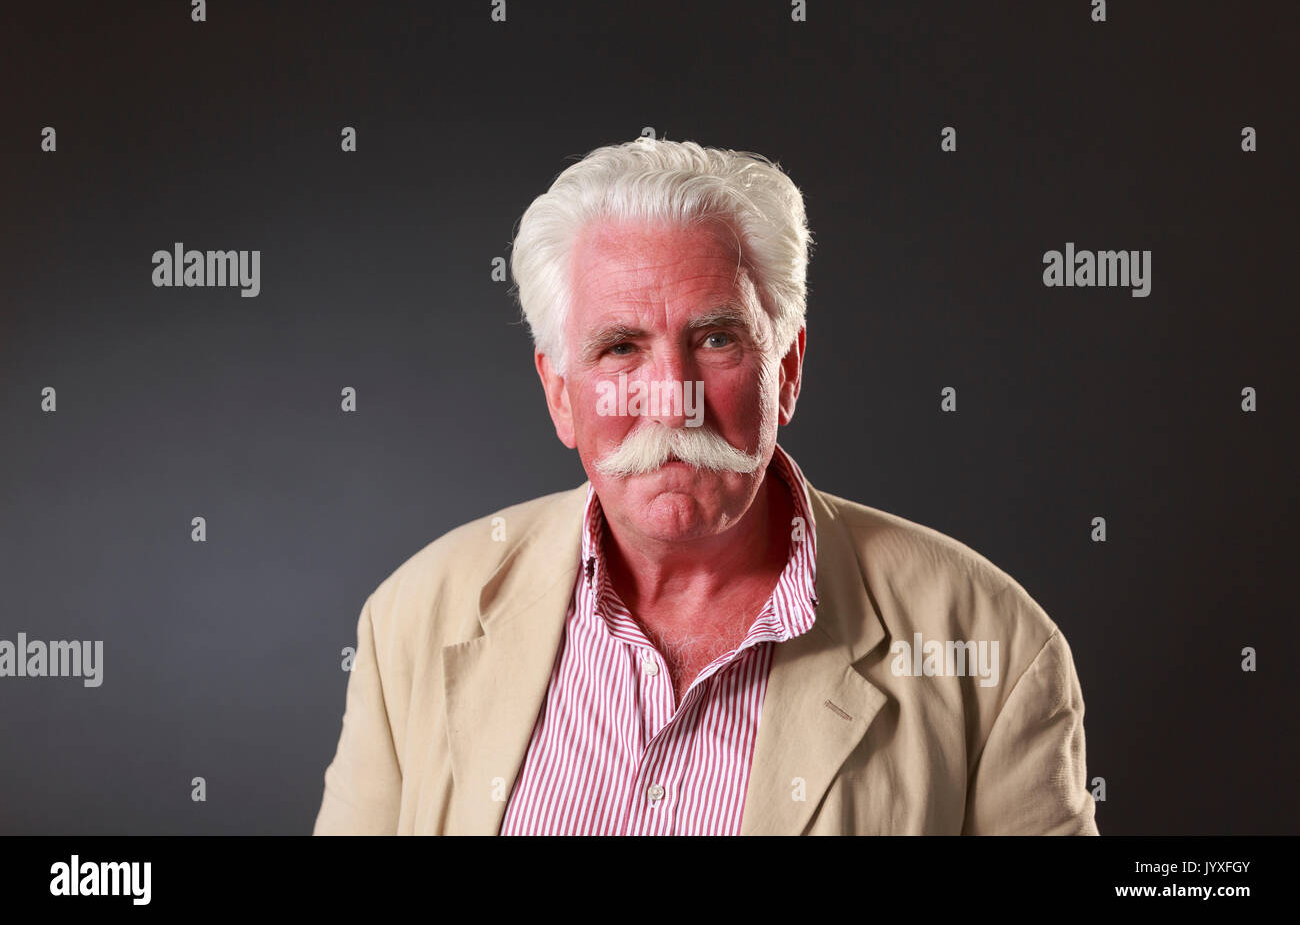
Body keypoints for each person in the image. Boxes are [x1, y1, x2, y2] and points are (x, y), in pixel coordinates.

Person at [313, 138, 1098, 835]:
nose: (671, 399)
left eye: (716, 338)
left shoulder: (991, 647)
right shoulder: (411, 622)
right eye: (621, 347)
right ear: (560, 395)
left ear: (785, 370)